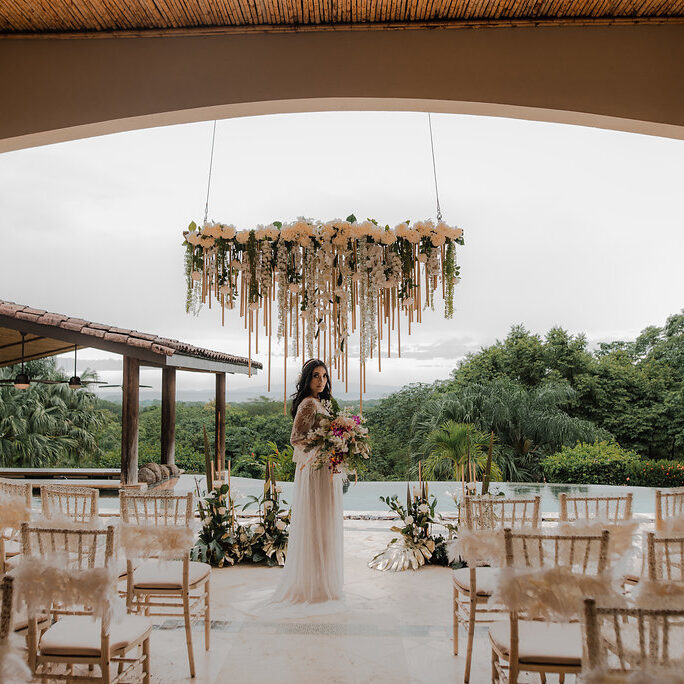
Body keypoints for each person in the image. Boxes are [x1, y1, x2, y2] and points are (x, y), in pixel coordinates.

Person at [268, 358, 344, 607]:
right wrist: (324, 444)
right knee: (315, 521)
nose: (321, 381)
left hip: (326, 469)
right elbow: (296, 438)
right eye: (315, 376)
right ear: (307, 379)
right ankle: (311, 583)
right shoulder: (308, 404)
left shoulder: (324, 402)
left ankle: (321, 580)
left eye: (324, 376)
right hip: (314, 469)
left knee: (324, 522)